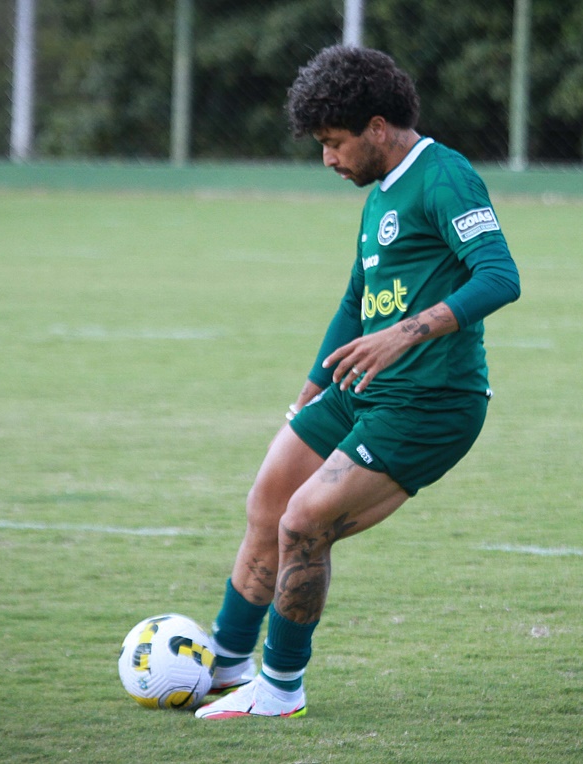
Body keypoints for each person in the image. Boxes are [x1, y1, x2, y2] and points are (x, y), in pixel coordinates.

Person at [194, 45, 521, 720]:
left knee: (306, 520)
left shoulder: (444, 177)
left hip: (432, 401)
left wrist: (405, 332)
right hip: (361, 389)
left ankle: (281, 689)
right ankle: (224, 666)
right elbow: (355, 299)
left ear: (378, 127)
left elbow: (500, 276)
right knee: (268, 499)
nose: (329, 159)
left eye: (334, 143)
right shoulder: (380, 194)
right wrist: (315, 385)